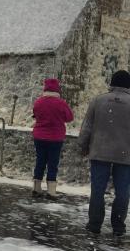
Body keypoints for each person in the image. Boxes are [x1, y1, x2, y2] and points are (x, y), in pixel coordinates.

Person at [78, 70, 130, 237]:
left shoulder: (98, 100)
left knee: (97, 190)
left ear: (112, 83)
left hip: (100, 152)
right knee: (123, 192)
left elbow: (87, 127)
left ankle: (94, 225)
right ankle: (118, 226)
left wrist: (83, 146)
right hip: (125, 155)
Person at [32, 78, 74, 198]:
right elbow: (69, 117)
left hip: (39, 136)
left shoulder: (38, 102)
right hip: (55, 138)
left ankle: (36, 188)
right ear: (57, 89)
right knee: (53, 163)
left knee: (40, 161)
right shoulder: (61, 103)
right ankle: (51, 191)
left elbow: (35, 114)